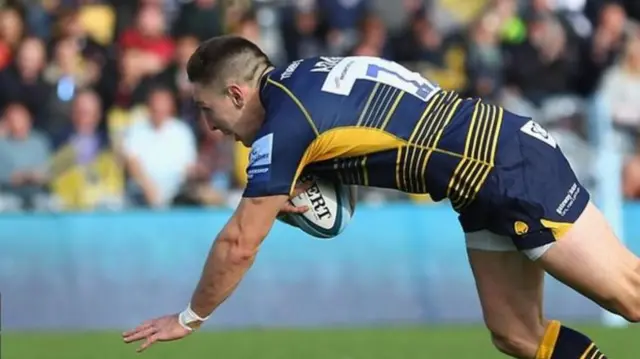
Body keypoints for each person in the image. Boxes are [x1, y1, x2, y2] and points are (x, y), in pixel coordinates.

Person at [123, 36, 640, 359]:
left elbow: (239, 244)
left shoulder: (285, 127)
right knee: (516, 334)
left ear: (236, 94)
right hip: (478, 181)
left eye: (207, 109)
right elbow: (370, 126)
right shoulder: (303, 76)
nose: (210, 126)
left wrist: (189, 317)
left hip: (505, 165)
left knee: (629, 296)